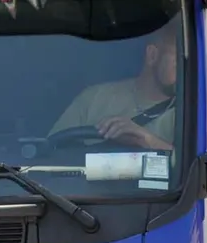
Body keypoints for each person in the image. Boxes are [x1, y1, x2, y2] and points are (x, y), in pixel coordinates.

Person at [48, 21, 179, 151]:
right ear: (152, 55)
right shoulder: (95, 97)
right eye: (179, 61)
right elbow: (50, 152)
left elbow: (193, 167)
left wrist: (146, 140)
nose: (188, 71)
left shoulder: (190, 113)